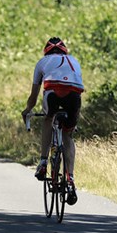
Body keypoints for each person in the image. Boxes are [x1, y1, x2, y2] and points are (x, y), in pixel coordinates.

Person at [21, 37, 84, 205]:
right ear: (65, 51)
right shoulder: (74, 60)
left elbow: (33, 98)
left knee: (48, 119)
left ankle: (43, 162)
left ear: (46, 51)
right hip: (74, 95)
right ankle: (70, 179)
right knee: (68, 135)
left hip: (53, 93)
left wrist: (27, 111)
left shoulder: (42, 62)